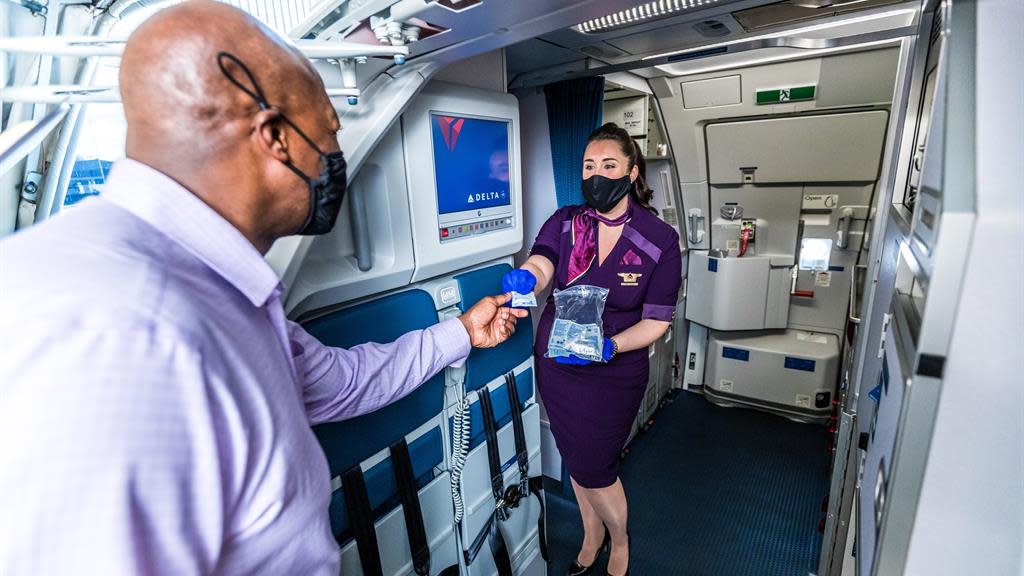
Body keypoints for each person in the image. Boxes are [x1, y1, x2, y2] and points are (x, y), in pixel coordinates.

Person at [0, 2, 527, 574]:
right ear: (276, 139)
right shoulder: (120, 336)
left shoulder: (218, 290)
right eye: (329, 133)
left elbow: (341, 384)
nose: (336, 157)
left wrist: (461, 332)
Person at [503, 123, 682, 576]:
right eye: (588, 166)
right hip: (559, 366)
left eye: (608, 165)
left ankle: (619, 539)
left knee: (595, 465)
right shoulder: (566, 222)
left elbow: (657, 322)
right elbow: (544, 259)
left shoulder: (658, 239)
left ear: (631, 172)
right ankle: (591, 533)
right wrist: (529, 278)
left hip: (613, 372)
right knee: (575, 458)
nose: (596, 175)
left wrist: (608, 346)